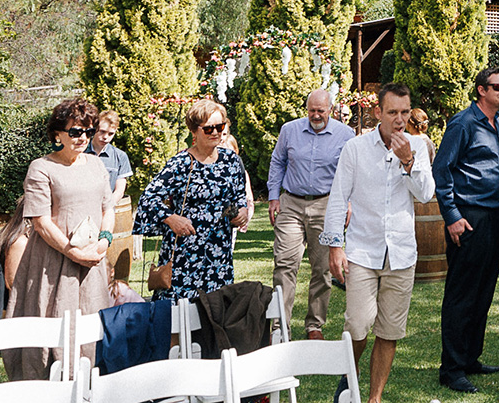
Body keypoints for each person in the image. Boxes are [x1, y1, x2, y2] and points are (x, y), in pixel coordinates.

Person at [5, 97, 114, 403]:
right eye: (75, 131)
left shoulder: (97, 166)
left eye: (87, 130)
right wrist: (72, 251)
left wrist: (105, 241)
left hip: (90, 264)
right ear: (58, 134)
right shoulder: (41, 168)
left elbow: (107, 208)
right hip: (51, 265)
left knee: (83, 339)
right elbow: (40, 220)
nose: (82, 137)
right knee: (38, 341)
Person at [323, 83, 435, 403]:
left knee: (389, 330)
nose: (400, 120)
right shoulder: (355, 149)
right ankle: (349, 375)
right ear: (378, 113)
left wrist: (408, 161)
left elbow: (425, 193)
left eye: (405, 112)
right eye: (392, 113)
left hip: (401, 252)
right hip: (362, 251)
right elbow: (338, 197)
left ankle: (374, 401)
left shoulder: (417, 146)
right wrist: (334, 246)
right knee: (357, 323)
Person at [433, 68, 499, 394]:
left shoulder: (496, 125)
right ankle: (451, 369)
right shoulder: (463, 123)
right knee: (462, 293)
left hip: (495, 218)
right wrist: (452, 215)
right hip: (469, 217)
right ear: (481, 90)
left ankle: (470, 358)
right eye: (498, 86)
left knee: (484, 290)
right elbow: (442, 170)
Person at [136, 98, 253, 304]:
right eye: (209, 129)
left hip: (219, 255)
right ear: (194, 131)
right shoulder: (180, 163)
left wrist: (240, 212)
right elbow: (148, 199)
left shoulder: (231, 161)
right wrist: (171, 219)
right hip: (185, 255)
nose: (216, 132)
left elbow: (237, 197)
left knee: (216, 314)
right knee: (177, 319)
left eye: (220, 126)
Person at [267, 88, 353, 340]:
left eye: (321, 111)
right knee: (284, 265)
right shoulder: (289, 130)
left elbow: (350, 172)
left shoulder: (345, 135)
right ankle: (280, 326)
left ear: (331, 110)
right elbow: (277, 161)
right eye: (311, 111)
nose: (316, 115)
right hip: (291, 204)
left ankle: (315, 325)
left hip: (326, 206)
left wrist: (348, 202)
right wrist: (274, 196)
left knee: (322, 269)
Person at [90, 110, 134, 207]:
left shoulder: (120, 157)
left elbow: (119, 190)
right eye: (102, 132)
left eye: (110, 134)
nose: (105, 137)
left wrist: (106, 207)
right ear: (95, 128)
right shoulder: (80, 152)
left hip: (106, 211)